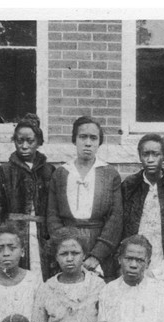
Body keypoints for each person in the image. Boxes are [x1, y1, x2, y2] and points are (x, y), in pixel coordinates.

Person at [47, 116, 123, 280]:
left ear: (99, 142)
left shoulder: (109, 174)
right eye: (83, 137)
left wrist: (97, 255)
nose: (88, 143)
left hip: (99, 244)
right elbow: (53, 216)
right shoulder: (61, 174)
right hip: (68, 247)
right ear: (74, 139)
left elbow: (115, 219)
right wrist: (67, 251)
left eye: (93, 138)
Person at [0, 113, 57, 281]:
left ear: (39, 142)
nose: (24, 146)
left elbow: (54, 209)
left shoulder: (49, 171)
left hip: (42, 235)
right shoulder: (5, 171)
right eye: (20, 141)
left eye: (30, 141)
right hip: (15, 233)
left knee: (42, 276)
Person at [120, 133, 164, 266]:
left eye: (155, 154)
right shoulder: (130, 185)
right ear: (140, 156)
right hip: (137, 251)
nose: (150, 159)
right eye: (145, 154)